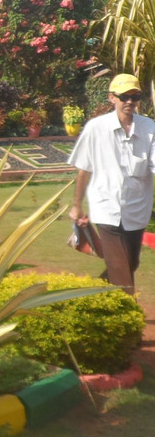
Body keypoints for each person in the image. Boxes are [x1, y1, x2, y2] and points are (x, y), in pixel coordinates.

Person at [68, 73, 155, 295]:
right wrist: (77, 205)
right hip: (105, 207)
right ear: (111, 98)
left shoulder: (149, 128)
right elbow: (83, 169)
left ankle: (89, 295)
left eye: (134, 96)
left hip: (137, 209)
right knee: (120, 268)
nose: (129, 102)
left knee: (130, 264)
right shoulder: (95, 128)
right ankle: (129, 317)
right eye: (124, 96)